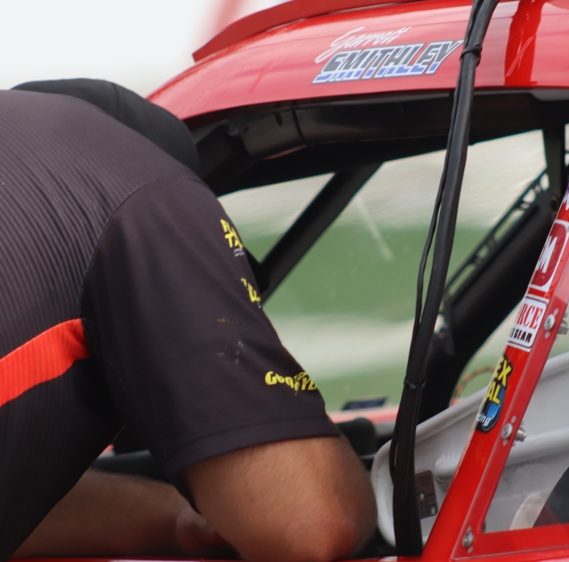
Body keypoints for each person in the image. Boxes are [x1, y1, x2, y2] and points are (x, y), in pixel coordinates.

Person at [0, 79, 375, 561]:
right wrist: (377, 490)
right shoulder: (142, 185)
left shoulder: (33, 159)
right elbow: (313, 526)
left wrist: (174, 518)